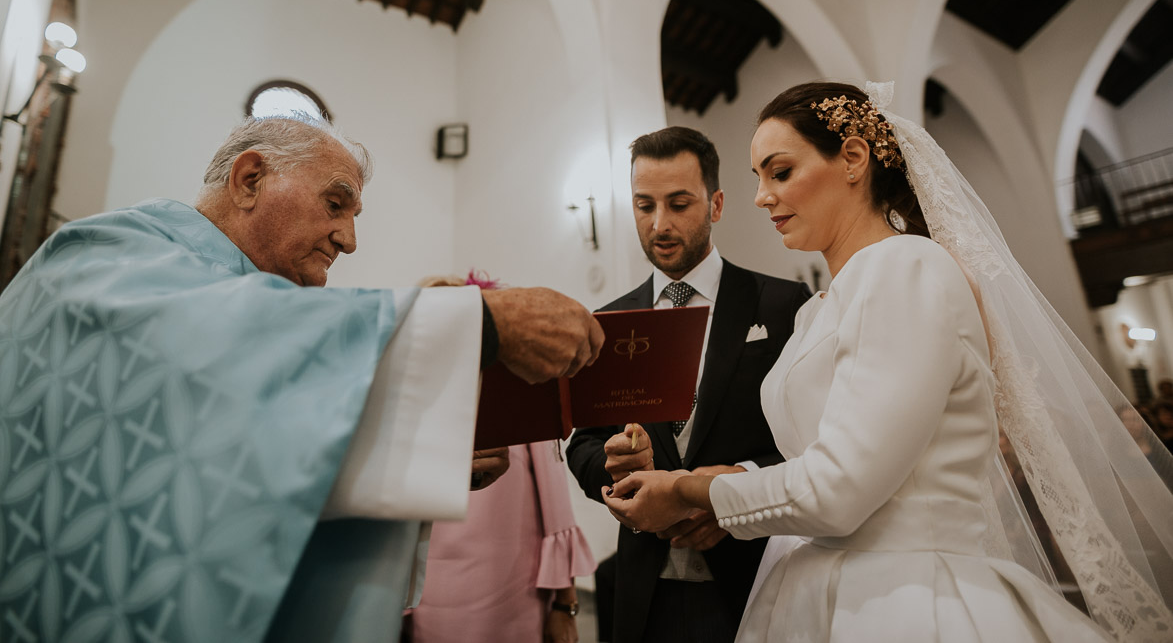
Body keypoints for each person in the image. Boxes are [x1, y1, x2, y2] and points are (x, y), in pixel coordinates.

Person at [0, 113, 604, 643]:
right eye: (335, 203)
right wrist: (481, 321)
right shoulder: (103, 251)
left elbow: (215, 453)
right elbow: (198, 353)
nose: (350, 238)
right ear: (250, 179)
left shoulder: (229, 296)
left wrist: (409, 450)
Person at [603, 82, 1173, 641]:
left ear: (852, 157)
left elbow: (841, 489)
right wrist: (730, 476)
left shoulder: (907, 268)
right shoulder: (817, 312)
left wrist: (687, 491)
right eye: (758, 179)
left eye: (780, 172)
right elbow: (821, 451)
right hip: (817, 582)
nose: (762, 197)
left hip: (908, 593)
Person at [566, 127, 810, 643]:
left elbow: (812, 442)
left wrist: (733, 498)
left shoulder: (782, 305)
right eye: (643, 205)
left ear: (716, 204)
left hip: (752, 576)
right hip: (642, 588)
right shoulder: (610, 321)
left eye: (679, 204)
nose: (660, 224)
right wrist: (613, 473)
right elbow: (583, 442)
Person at [404, 273, 597, 643]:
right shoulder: (413, 406)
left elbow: (556, 511)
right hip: (431, 596)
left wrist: (564, 605)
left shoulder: (515, 392)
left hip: (511, 592)